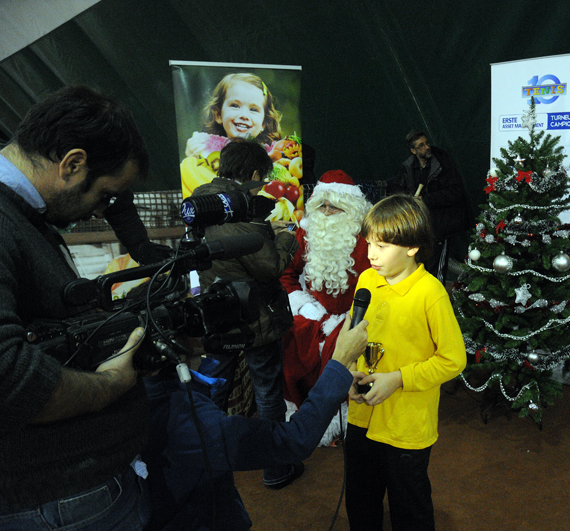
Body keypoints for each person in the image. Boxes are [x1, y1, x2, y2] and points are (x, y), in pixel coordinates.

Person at [0, 85, 152, 529]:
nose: (102, 212)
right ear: (73, 164)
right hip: (56, 504)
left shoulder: (26, 217)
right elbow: (8, 377)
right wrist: (110, 383)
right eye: (104, 195)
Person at [142, 313, 368, 531]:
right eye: (194, 315)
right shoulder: (183, 421)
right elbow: (294, 439)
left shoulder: (149, 391)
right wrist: (340, 361)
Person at [345, 194, 467, 531]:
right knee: (361, 501)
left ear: (412, 246)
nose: (370, 254)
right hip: (362, 417)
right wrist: (350, 375)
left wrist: (398, 378)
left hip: (406, 426)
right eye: (368, 242)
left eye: (381, 246)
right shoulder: (367, 280)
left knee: (409, 507)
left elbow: (453, 359)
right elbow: (355, 332)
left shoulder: (431, 293)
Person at [191, 139, 303, 490]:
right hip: (254, 313)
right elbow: (268, 267)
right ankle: (275, 468)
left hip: (217, 308)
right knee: (266, 388)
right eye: (260, 178)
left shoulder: (202, 198)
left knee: (213, 388)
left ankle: (203, 460)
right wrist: (286, 239)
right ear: (253, 173)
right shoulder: (235, 209)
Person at [280, 170, 370, 433]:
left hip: (353, 316)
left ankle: (341, 418)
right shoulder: (305, 235)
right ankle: (305, 417)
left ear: (350, 208)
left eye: (335, 206)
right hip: (314, 313)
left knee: (340, 346)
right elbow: (287, 274)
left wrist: (349, 320)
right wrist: (307, 307)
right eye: (322, 205)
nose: (327, 212)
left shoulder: (366, 240)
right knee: (293, 339)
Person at [180, 73, 303, 221]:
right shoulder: (203, 145)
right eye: (235, 105)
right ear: (218, 114)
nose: (244, 115)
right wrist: (192, 157)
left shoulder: (273, 153)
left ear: (263, 123)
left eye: (253, 109)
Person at [388, 130, 471, 284]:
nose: (427, 147)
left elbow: (455, 192)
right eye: (421, 145)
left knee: (435, 271)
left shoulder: (441, 163)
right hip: (418, 226)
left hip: (440, 226)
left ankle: (435, 300)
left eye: (427, 143)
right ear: (413, 151)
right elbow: (397, 189)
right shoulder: (408, 167)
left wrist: (426, 200)